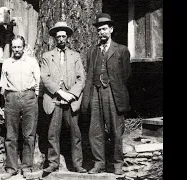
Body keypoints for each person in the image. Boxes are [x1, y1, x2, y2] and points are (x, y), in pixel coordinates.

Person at [81, 13, 132, 175]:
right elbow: (89, 74)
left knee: (116, 130)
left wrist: (113, 86)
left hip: (113, 93)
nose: (101, 32)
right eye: (99, 30)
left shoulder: (122, 50)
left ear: (111, 29)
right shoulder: (92, 52)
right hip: (95, 92)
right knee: (94, 130)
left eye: (104, 29)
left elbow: (126, 75)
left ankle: (117, 163)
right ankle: (99, 163)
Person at [40, 21, 87, 174]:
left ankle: (77, 164)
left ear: (67, 38)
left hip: (71, 101)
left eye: (63, 36)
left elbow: (81, 78)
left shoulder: (75, 56)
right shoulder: (47, 56)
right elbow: (45, 78)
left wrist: (72, 94)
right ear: (54, 38)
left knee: (75, 134)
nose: (61, 39)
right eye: (58, 36)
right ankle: (53, 163)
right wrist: (61, 92)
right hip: (55, 99)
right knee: (53, 133)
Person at [0, 35, 40, 180]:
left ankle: (27, 168)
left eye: (19, 47)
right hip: (12, 98)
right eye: (14, 47)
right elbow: (2, 85)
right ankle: (11, 168)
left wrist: (33, 96)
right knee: (11, 135)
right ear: (12, 48)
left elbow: (38, 82)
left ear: (24, 47)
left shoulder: (32, 62)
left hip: (29, 97)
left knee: (29, 135)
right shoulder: (7, 63)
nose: (16, 50)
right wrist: (4, 104)